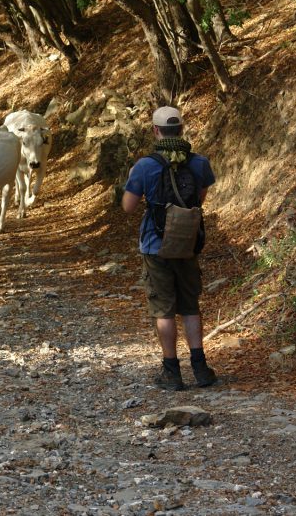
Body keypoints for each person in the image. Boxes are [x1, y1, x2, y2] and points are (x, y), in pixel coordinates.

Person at [121, 106, 218, 391]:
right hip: (187, 242)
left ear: (155, 130)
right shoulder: (200, 163)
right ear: (182, 129)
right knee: (190, 305)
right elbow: (199, 199)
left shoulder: (144, 166)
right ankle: (200, 368)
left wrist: (134, 181)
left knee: (163, 309)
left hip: (155, 245)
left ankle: (171, 371)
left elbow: (127, 207)